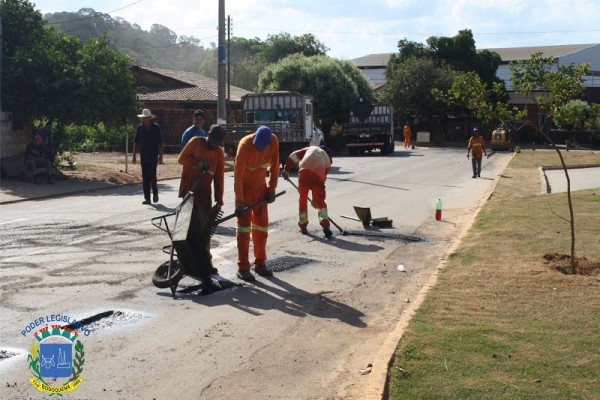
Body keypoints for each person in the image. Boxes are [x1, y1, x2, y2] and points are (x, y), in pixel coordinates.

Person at [233, 125, 280, 282]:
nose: (258, 147)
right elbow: (238, 176)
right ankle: (243, 267)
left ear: (268, 143)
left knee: (261, 228)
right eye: (256, 144)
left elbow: (275, 167)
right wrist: (239, 201)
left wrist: (271, 190)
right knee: (244, 229)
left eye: (261, 145)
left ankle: (260, 263)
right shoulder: (245, 145)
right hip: (245, 191)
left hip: (260, 191)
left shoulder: (273, 142)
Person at [178, 124, 226, 266]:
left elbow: (219, 178)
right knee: (188, 227)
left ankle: (205, 261)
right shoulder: (195, 142)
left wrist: (219, 199)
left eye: (218, 142)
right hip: (189, 190)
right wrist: (197, 164)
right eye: (213, 141)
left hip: (205, 194)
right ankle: (186, 257)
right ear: (209, 136)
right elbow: (181, 158)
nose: (215, 144)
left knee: (204, 231)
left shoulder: (218, 154)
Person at [282, 145, 333, 238]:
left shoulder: (310, 149)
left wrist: (286, 170)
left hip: (304, 172)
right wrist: (315, 200)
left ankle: (303, 226)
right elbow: (322, 183)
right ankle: (325, 224)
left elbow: (293, 156)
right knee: (320, 201)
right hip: (318, 174)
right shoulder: (328, 162)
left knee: (303, 199)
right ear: (329, 155)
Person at [132, 109, 164, 204]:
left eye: (146, 118)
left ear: (150, 118)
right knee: (145, 177)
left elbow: (161, 142)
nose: (144, 119)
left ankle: (155, 194)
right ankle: (147, 198)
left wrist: (161, 155)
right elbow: (136, 142)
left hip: (153, 155)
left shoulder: (156, 128)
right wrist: (134, 155)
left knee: (152, 176)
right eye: (143, 118)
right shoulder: (140, 128)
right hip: (144, 155)